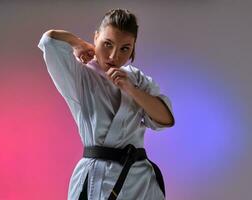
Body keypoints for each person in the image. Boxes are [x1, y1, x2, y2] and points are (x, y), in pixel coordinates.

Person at [38, 8, 175, 200]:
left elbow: (165, 119)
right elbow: (49, 40)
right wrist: (77, 43)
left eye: (124, 48)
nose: (113, 56)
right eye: (107, 44)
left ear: (133, 48)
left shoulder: (137, 79)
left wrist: (131, 89)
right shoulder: (81, 76)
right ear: (96, 38)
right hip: (97, 177)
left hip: (139, 180)